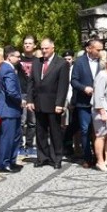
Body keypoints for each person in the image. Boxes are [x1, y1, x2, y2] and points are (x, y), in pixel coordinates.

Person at [26, 38, 70, 169]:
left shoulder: (61, 63)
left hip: (53, 103)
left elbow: (63, 85)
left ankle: (56, 158)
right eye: (42, 48)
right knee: (40, 132)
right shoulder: (37, 62)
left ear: (53, 48)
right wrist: (29, 100)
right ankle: (42, 157)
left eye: (46, 48)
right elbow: (31, 83)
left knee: (55, 132)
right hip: (38, 103)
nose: (44, 51)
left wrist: (59, 104)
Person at [71, 38, 103, 168]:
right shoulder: (79, 62)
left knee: (98, 131)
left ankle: (99, 156)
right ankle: (87, 157)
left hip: (99, 103)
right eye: (98, 49)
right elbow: (74, 81)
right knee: (85, 130)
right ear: (89, 49)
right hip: (83, 102)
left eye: (101, 49)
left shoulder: (102, 63)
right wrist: (84, 88)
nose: (100, 52)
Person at [0, 46, 25, 173]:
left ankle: (11, 161)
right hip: (9, 109)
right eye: (17, 56)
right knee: (7, 138)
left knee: (15, 136)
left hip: (12, 110)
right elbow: (11, 91)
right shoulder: (7, 69)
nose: (19, 59)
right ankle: (3, 163)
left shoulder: (8, 68)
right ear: (9, 56)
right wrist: (20, 100)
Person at [17, 35, 37, 157]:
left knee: (32, 122)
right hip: (21, 93)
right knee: (21, 121)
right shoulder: (18, 61)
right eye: (25, 43)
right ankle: (19, 145)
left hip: (34, 95)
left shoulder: (38, 61)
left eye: (30, 43)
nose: (27, 45)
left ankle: (29, 146)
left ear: (35, 45)